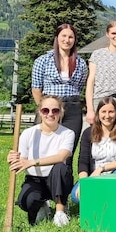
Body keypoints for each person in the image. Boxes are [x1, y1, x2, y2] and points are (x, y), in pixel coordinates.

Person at [7, 95, 74, 227]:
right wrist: (13, 159)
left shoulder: (67, 133)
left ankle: (60, 211)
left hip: (57, 180)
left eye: (55, 110)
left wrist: (32, 162)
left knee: (60, 167)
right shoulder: (28, 133)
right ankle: (42, 205)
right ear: (40, 112)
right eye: (45, 110)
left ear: (61, 112)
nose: (50, 114)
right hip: (35, 179)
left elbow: (61, 157)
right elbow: (22, 161)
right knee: (26, 202)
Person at [32, 23, 88, 158]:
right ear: (57, 38)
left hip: (73, 110)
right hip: (50, 108)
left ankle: (65, 178)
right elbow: (36, 88)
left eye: (71, 37)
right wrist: (45, 108)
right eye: (63, 36)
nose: (67, 40)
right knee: (45, 148)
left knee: (67, 151)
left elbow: (79, 87)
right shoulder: (43, 60)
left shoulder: (81, 63)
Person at [71, 97, 116, 204]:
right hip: (93, 177)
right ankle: (102, 200)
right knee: (76, 197)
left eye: (111, 112)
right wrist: (84, 183)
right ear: (98, 113)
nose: (107, 116)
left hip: (114, 174)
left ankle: (105, 203)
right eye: (103, 111)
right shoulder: (88, 133)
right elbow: (83, 162)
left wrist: (101, 169)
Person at [85, 21, 116, 128]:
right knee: (99, 139)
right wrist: (90, 109)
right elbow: (90, 83)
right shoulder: (97, 54)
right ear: (107, 34)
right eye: (114, 33)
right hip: (100, 102)